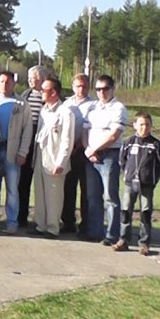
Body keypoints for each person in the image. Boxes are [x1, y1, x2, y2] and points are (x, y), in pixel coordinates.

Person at [0, 72, 32, 234]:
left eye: (8, 82)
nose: (5, 85)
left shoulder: (21, 103)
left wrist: (23, 152)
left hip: (12, 151)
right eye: (2, 81)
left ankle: (12, 221)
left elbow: (27, 130)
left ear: (14, 84)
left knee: (12, 189)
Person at [83, 75, 128, 245]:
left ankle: (112, 234)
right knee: (93, 196)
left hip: (110, 155)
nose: (101, 92)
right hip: (91, 156)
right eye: (98, 89)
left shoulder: (119, 108)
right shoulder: (93, 107)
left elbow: (113, 135)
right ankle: (95, 231)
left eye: (105, 88)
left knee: (110, 197)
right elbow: (85, 131)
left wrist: (94, 149)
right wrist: (89, 150)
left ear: (112, 89)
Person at [32, 78, 75, 239]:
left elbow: (67, 140)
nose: (41, 93)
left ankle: (52, 227)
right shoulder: (44, 110)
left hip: (55, 157)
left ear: (54, 92)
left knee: (54, 195)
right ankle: (40, 224)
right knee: (40, 192)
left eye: (44, 90)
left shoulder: (65, 112)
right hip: (40, 155)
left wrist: (61, 162)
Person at [113, 113, 160, 256]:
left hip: (147, 185)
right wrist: (127, 174)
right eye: (141, 124)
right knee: (126, 211)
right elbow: (122, 161)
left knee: (145, 212)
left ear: (151, 126)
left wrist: (154, 178)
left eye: (147, 124)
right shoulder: (128, 142)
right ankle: (123, 240)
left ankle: (144, 242)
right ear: (135, 125)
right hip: (129, 183)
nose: (144, 127)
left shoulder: (156, 144)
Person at [62, 74, 95, 236]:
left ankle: (86, 224)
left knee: (86, 190)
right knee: (68, 188)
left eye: (84, 86)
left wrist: (80, 145)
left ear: (88, 87)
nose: (81, 89)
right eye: (78, 86)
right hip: (69, 152)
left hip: (86, 152)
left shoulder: (94, 104)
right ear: (73, 86)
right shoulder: (66, 104)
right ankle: (68, 222)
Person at [18, 65, 48, 228]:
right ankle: (22, 216)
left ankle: (43, 219)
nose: (29, 80)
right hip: (28, 142)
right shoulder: (25, 96)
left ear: (42, 79)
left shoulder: (51, 95)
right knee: (24, 181)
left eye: (33, 78)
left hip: (45, 142)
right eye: (29, 78)